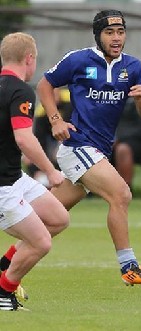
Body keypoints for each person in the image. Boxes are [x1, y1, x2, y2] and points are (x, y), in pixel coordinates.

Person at [32, 9, 141, 285]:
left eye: (121, 32)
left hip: (99, 151)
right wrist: (56, 120)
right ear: (98, 35)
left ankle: (5, 265)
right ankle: (129, 267)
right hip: (77, 145)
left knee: (47, 220)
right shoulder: (79, 60)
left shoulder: (134, 67)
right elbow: (45, 85)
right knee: (121, 194)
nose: (116, 38)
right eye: (109, 32)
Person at [0, 32, 69, 311]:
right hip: (3, 185)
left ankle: (4, 267)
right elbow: (24, 138)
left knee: (58, 219)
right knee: (41, 242)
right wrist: (51, 172)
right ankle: (4, 293)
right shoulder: (20, 90)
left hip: (14, 177)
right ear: (29, 59)